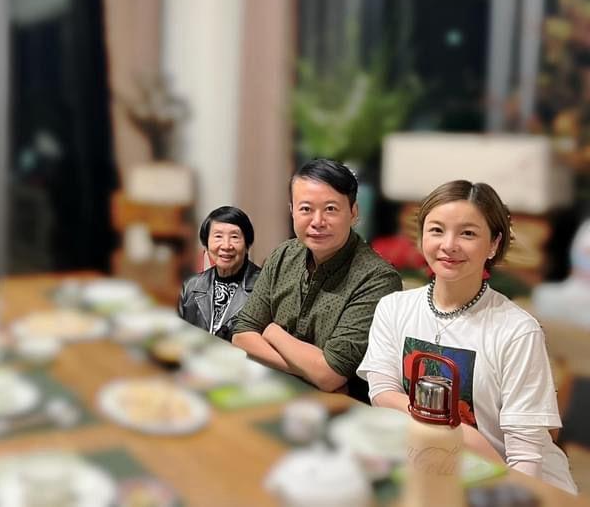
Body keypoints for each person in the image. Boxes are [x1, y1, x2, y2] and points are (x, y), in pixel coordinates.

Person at [357, 180, 577, 494]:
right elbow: (381, 393)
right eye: (437, 230)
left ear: (493, 245)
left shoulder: (518, 331)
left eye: (468, 233)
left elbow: (526, 459)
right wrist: (457, 433)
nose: (449, 245)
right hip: (433, 465)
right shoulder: (393, 308)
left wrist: (469, 443)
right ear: (421, 237)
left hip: (513, 484)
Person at [231, 159, 402, 397]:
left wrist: (271, 332)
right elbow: (242, 334)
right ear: (292, 211)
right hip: (274, 391)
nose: (317, 222)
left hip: (340, 408)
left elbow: (331, 374)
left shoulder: (377, 279)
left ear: (353, 212)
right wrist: (309, 370)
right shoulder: (283, 255)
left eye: (330, 209)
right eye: (306, 209)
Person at [178, 206, 261, 340]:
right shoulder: (191, 286)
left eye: (234, 237)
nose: (226, 246)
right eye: (218, 236)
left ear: (247, 245)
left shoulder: (264, 287)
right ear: (206, 245)